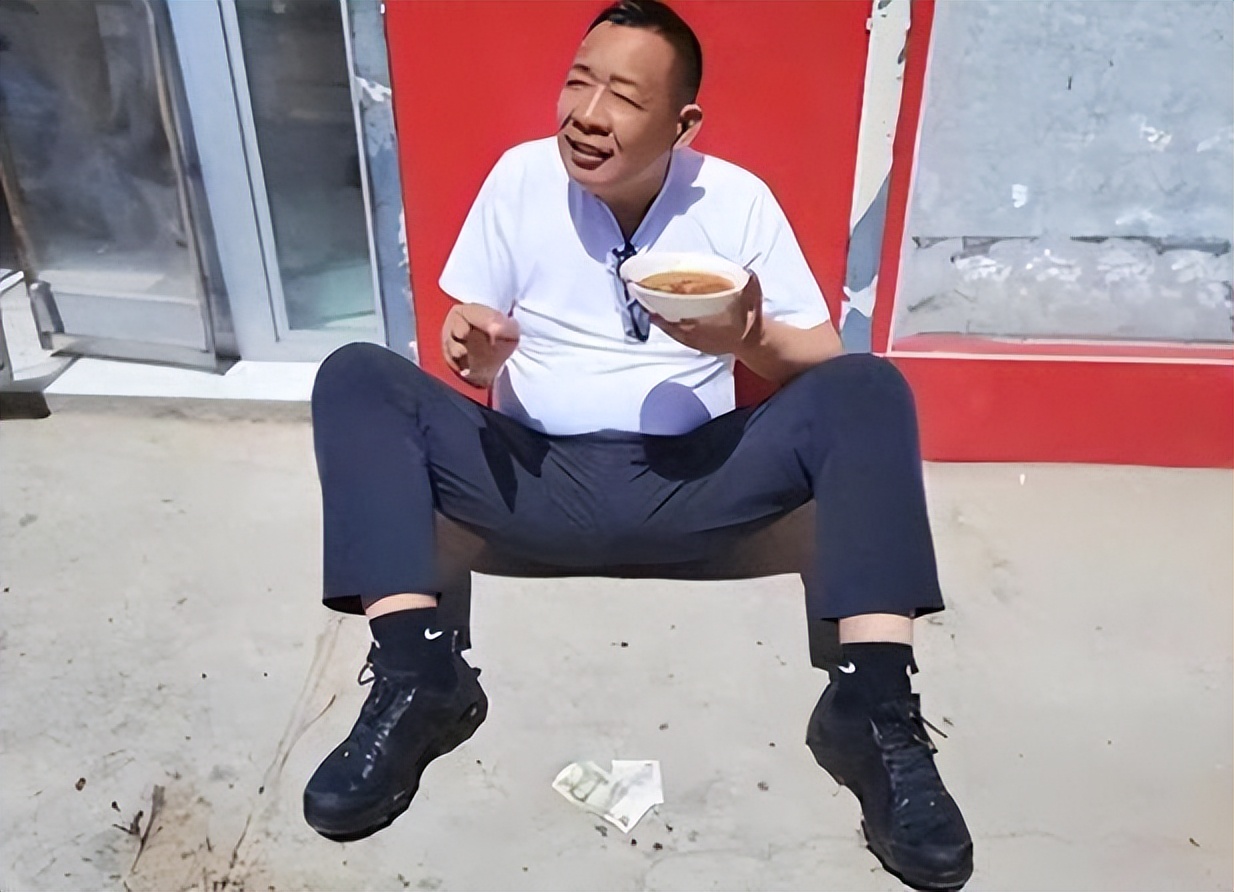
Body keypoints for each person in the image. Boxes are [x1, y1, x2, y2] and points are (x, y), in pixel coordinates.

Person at [303, 2, 973, 888]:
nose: (587, 114)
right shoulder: (520, 179)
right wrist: (475, 352)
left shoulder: (732, 199)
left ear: (682, 124)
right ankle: (417, 676)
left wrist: (746, 337)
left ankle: (872, 706)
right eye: (578, 82)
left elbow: (821, 355)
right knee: (356, 375)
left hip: (695, 486)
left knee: (869, 389)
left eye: (623, 96)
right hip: (531, 478)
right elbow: (470, 330)